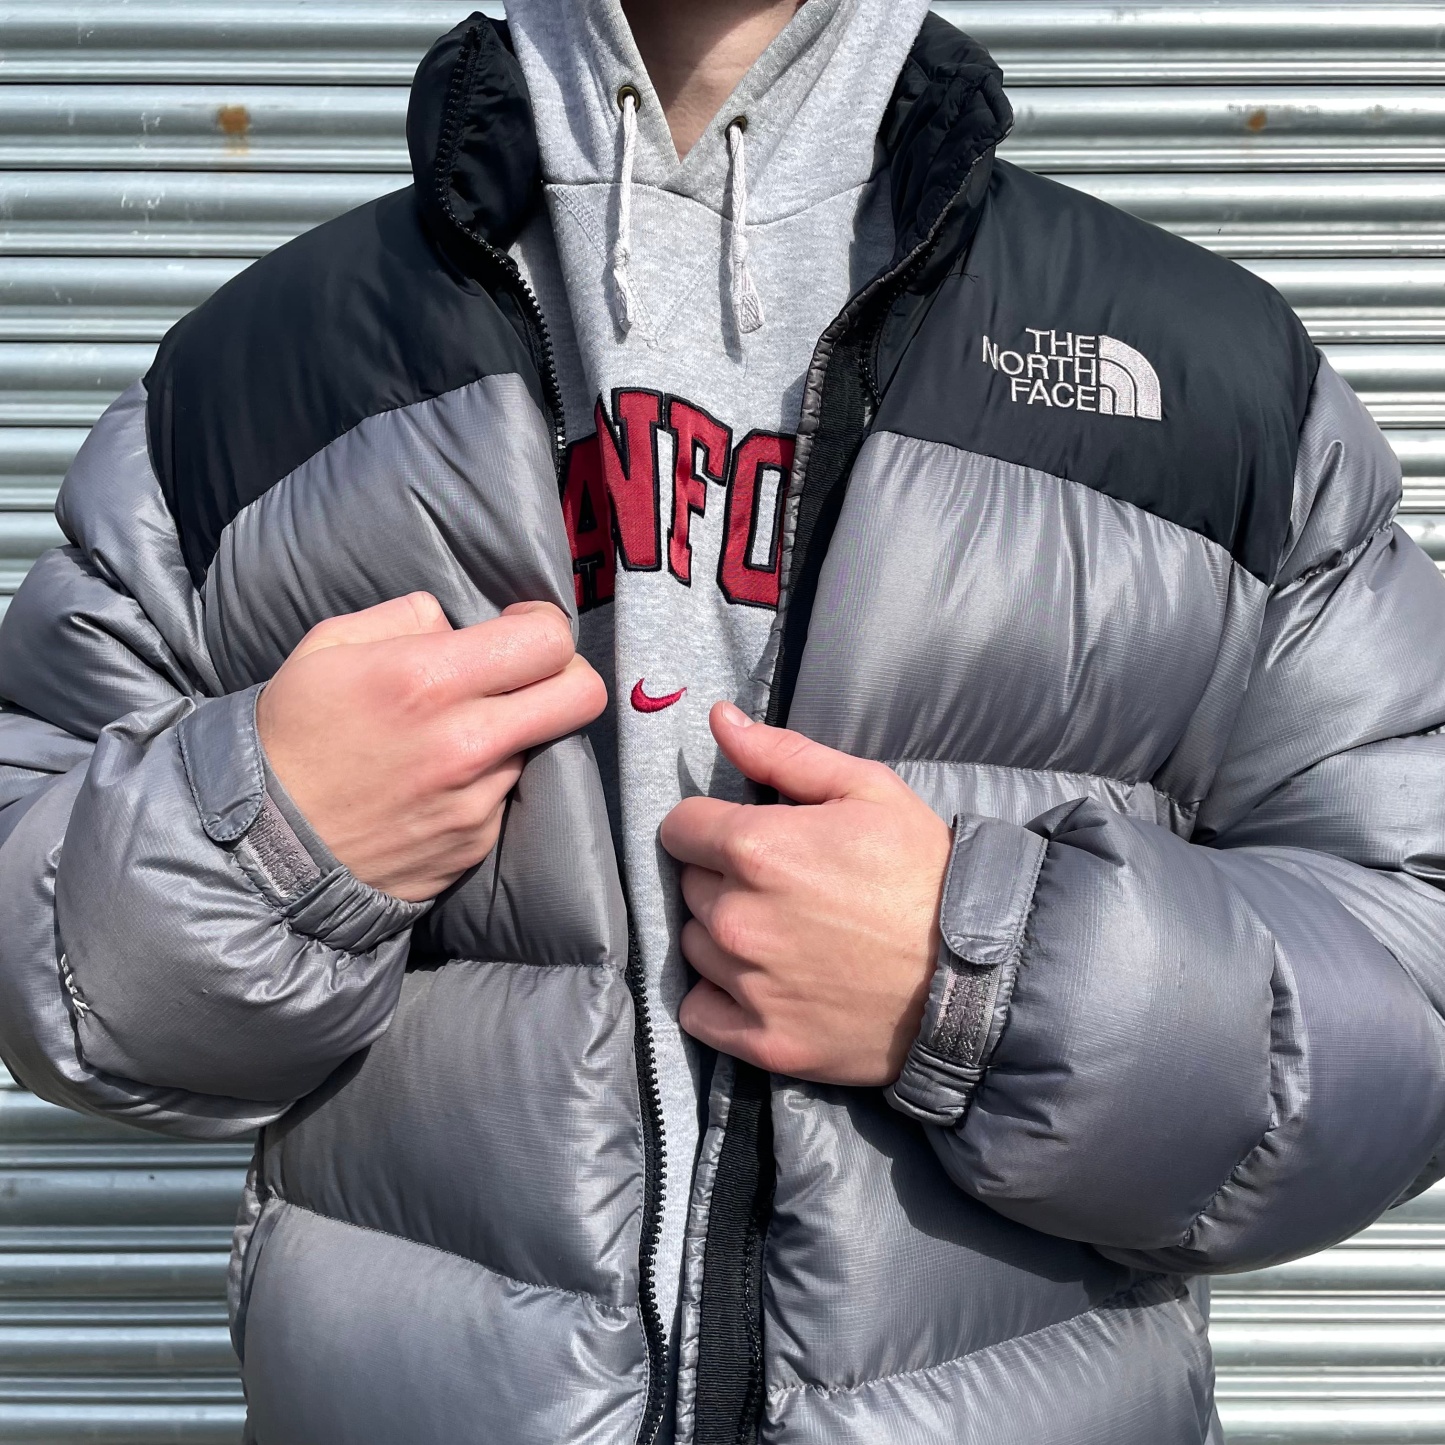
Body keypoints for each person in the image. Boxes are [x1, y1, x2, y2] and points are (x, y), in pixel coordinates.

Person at [0, 0, 1440, 1440]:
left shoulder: (1208, 382)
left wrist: (983, 984)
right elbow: (50, 962)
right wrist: (271, 835)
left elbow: (1410, 989)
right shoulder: (252, 382)